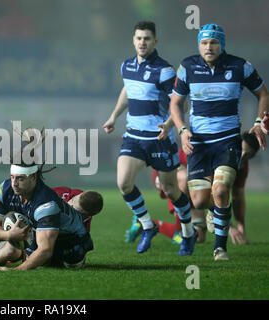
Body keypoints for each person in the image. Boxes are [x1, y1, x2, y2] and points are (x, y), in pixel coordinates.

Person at [170, 23, 268, 260]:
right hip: (199, 145)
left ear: (222, 45)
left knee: (222, 190)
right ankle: (218, 221)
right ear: (199, 46)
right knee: (200, 200)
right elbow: (174, 103)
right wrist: (182, 130)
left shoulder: (239, 66)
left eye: (213, 43)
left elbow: (263, 94)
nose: (208, 47)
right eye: (204, 43)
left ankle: (220, 248)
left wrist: (258, 121)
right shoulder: (187, 67)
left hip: (228, 142)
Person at [102, 21, 197, 255]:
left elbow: (181, 103)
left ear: (155, 41)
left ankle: (188, 232)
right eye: (138, 38)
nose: (142, 42)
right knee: (124, 183)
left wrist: (167, 125)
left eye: (146, 38)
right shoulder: (126, 67)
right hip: (133, 137)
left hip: (159, 139)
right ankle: (147, 226)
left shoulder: (164, 71)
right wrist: (114, 116)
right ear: (133, 40)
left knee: (171, 189)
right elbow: (127, 91)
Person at [125, 149, 207, 244]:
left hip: (189, 186)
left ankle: (147, 224)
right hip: (168, 179)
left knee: (199, 237)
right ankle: (179, 230)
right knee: (184, 176)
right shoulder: (189, 149)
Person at [206, 131, 261, 245]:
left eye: (247, 155)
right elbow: (208, 193)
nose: (242, 156)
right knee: (189, 231)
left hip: (203, 197)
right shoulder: (218, 154)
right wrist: (228, 226)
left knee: (199, 236)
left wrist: (241, 227)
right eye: (241, 150)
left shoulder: (242, 166)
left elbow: (238, 196)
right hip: (179, 183)